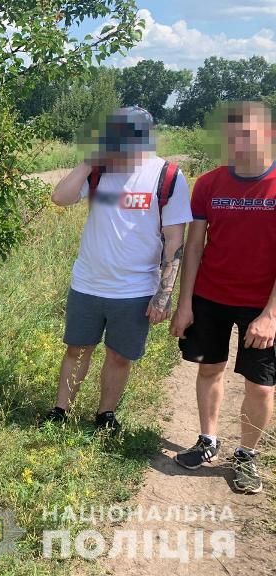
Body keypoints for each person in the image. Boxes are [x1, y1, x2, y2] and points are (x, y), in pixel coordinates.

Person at [42, 106, 193, 431]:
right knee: (77, 350)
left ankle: (105, 415)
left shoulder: (167, 176)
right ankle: (60, 412)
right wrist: (89, 161)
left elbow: (173, 240)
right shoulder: (99, 170)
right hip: (88, 283)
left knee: (120, 356)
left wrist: (164, 295)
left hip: (135, 289)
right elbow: (60, 197)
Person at [170, 101, 276, 494]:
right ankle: (208, 440)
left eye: (246, 133)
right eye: (232, 134)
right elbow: (194, 247)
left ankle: (247, 455)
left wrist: (271, 315)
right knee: (209, 369)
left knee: (260, 385)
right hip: (210, 296)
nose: (237, 142)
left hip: (260, 304)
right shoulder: (209, 184)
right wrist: (184, 304)